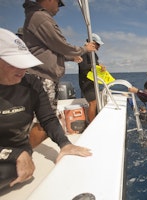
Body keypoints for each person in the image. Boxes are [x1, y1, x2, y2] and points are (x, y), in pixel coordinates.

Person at [0, 28, 92, 189]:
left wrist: (65, 144)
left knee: (9, 171)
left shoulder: (31, 83)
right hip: (12, 155)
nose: (23, 70)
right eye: (15, 63)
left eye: (25, 63)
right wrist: (13, 154)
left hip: (17, 157)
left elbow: (48, 118)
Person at [22, 0, 96, 146]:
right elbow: (60, 44)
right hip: (42, 78)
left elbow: (50, 50)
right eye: (59, 3)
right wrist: (84, 49)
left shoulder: (37, 17)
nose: (59, 8)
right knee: (43, 123)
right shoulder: (40, 17)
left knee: (43, 121)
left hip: (44, 77)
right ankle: (23, 156)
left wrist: (70, 56)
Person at [78, 33, 104, 123]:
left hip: (92, 82)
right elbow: (84, 67)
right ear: (92, 42)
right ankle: (92, 125)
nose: (99, 46)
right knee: (92, 103)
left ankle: (93, 122)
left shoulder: (93, 54)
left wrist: (99, 66)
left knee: (95, 102)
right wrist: (95, 66)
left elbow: (95, 65)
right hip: (86, 83)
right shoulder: (84, 52)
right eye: (98, 44)